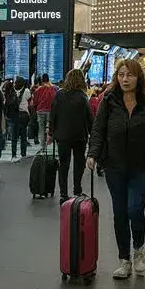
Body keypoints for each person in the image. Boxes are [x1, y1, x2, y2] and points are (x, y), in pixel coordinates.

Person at [86, 59, 145, 279]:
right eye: (121, 75)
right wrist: (93, 154)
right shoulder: (109, 101)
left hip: (143, 167)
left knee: (134, 209)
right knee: (120, 213)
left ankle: (139, 251)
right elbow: (98, 129)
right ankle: (124, 260)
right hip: (115, 167)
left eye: (130, 75)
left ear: (138, 77)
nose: (125, 79)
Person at [48, 69, 93, 202]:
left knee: (63, 164)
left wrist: (51, 132)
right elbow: (89, 118)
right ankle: (77, 189)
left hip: (62, 136)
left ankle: (63, 193)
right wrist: (93, 135)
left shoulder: (59, 95)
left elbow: (53, 115)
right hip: (79, 136)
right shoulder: (83, 96)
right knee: (79, 163)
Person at [31, 73, 58, 149]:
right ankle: (53, 145)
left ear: (42, 80)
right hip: (50, 110)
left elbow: (35, 102)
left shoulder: (38, 90)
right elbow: (55, 100)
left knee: (41, 128)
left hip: (40, 110)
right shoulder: (53, 89)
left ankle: (43, 146)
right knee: (51, 128)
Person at [11, 76, 32, 159]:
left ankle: (13, 155)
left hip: (14, 115)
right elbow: (30, 101)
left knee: (14, 136)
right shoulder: (26, 91)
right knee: (23, 135)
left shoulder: (12, 90)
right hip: (24, 115)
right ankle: (23, 154)